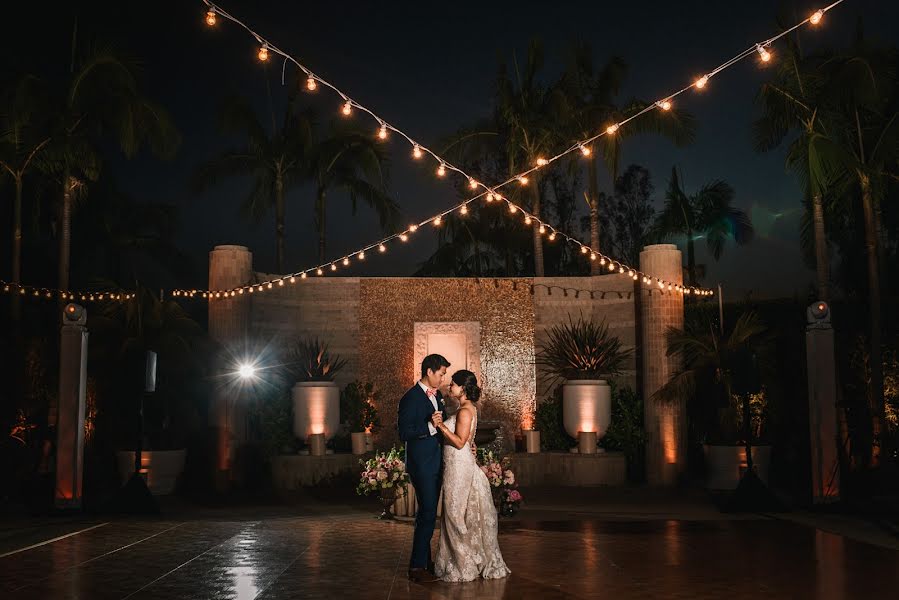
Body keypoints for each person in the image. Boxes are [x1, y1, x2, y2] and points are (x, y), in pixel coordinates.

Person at [432, 369, 510, 582]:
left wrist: (439, 425)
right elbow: (467, 441)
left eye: (453, 385)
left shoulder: (466, 411)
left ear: (463, 388)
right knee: (455, 513)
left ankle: (464, 564)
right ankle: (458, 558)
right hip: (456, 464)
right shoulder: (466, 408)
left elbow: (458, 442)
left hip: (459, 466)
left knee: (454, 513)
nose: (449, 388)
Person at [397, 354, 450, 583]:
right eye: (441, 374)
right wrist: (430, 426)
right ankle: (417, 567)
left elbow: (443, 425)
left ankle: (425, 563)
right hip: (422, 465)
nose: (443, 378)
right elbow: (404, 433)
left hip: (436, 462)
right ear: (429, 371)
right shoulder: (410, 398)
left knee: (429, 514)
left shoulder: (437, 395)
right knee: (427, 513)